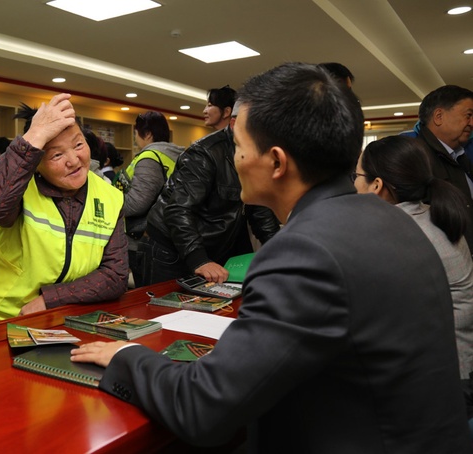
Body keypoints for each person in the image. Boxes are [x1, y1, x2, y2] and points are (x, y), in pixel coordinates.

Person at [72, 63, 472, 452]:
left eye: (241, 148)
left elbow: (204, 410)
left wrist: (127, 356)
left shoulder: (304, 252)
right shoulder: (394, 220)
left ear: (277, 161)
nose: (235, 160)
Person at [0, 94, 128, 330]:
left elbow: (115, 275)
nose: (73, 160)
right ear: (36, 161)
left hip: (41, 321)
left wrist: (51, 299)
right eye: (57, 155)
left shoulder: (110, 197)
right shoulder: (19, 186)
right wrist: (35, 137)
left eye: (78, 145)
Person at [354, 135, 473, 378]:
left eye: (356, 177)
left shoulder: (395, 231)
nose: (353, 185)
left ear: (376, 185)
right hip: (459, 360)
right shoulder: (433, 214)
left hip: (439, 372)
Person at [140, 92, 279, 286]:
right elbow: (178, 209)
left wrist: (280, 249)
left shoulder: (257, 153)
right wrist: (199, 259)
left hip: (213, 245)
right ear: (234, 125)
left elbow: (258, 208)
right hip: (171, 247)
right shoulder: (204, 152)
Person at [115, 111, 184, 285]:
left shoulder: (150, 158)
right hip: (170, 233)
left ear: (147, 134)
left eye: (136, 133)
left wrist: (112, 199)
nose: (135, 138)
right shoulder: (176, 155)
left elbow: (138, 202)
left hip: (145, 238)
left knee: (146, 293)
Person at [413, 85, 473, 255]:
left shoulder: (461, 157)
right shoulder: (415, 157)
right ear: (438, 116)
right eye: (468, 115)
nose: (472, 123)